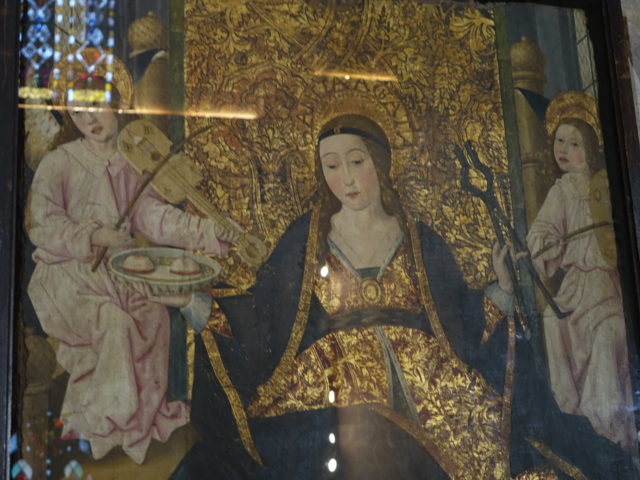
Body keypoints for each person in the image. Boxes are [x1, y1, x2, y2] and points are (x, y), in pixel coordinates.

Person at [167, 113, 635, 478]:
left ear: (380, 163)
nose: (346, 179)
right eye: (332, 166)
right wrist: (192, 302)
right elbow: (263, 318)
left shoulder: (420, 239)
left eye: (357, 162)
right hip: (331, 380)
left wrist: (503, 288)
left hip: (427, 379)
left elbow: (461, 322)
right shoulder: (304, 239)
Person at [25, 53, 238, 464]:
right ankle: (102, 426)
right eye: (78, 111)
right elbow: (42, 225)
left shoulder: (132, 162)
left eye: (96, 106)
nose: (89, 119)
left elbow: (155, 217)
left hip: (118, 272)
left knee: (154, 316)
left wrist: (211, 233)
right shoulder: (59, 162)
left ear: (117, 103)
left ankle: (135, 424)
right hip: (67, 276)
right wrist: (93, 236)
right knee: (115, 322)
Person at [526, 91, 636, 449]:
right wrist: (550, 243)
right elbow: (541, 232)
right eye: (559, 141)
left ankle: (606, 421)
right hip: (575, 288)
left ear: (590, 148)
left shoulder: (606, 188)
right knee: (551, 320)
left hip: (605, 286)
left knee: (610, 331)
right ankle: (569, 410)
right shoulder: (561, 192)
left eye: (574, 143)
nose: (564, 149)